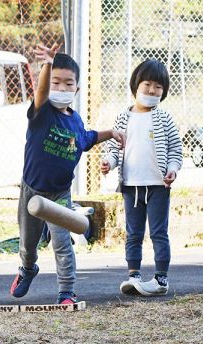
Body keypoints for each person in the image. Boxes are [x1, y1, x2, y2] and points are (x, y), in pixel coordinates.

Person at [10, 43, 126, 305]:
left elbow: (86, 139)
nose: (61, 89)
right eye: (55, 83)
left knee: (62, 244)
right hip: (32, 190)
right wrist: (47, 65)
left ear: (77, 88)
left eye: (67, 84)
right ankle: (28, 268)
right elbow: (40, 91)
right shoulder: (41, 113)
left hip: (60, 194)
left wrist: (112, 133)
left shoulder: (75, 121)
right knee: (28, 244)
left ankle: (67, 292)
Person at [102, 59, 182, 296]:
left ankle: (161, 279)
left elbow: (176, 150)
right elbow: (113, 149)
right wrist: (109, 162)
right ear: (136, 84)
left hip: (158, 185)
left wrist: (173, 169)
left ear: (164, 91)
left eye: (158, 87)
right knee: (133, 232)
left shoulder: (165, 119)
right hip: (131, 186)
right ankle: (133, 275)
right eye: (147, 84)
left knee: (159, 232)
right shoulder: (123, 117)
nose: (152, 90)